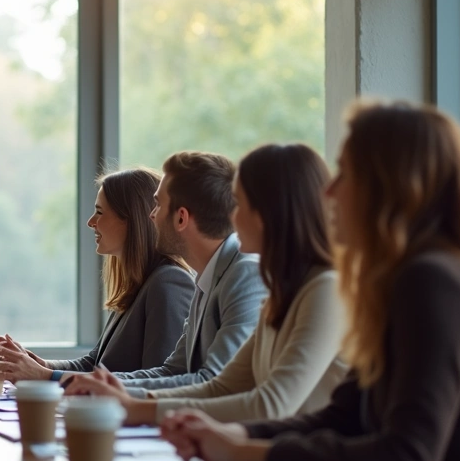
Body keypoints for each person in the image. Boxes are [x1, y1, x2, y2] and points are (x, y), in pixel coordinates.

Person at [160, 101, 460, 461]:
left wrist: (251, 452)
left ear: (390, 187)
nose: (330, 193)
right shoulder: (399, 281)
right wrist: (234, 433)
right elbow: (343, 416)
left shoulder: (433, 280)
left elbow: (406, 454)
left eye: (345, 174)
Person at [66, 144, 347, 425]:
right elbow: (220, 386)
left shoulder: (320, 289)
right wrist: (121, 396)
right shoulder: (278, 290)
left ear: (268, 213)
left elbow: (270, 405)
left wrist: (132, 406)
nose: (231, 217)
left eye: (240, 204)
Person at [0, 168, 193, 380]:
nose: (91, 222)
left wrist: (46, 376)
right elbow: (93, 364)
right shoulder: (139, 286)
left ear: (131, 219)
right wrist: (38, 364)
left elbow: (159, 381)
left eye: (100, 212)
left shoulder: (167, 283)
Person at [106, 152, 267, 389]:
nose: (150, 215)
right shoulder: (207, 278)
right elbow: (172, 370)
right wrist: (86, 382)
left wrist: (113, 393)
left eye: (158, 205)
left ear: (181, 218)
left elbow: (213, 381)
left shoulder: (245, 275)